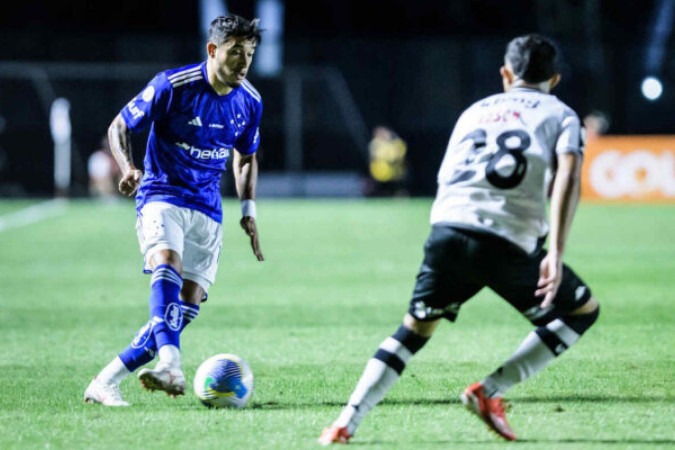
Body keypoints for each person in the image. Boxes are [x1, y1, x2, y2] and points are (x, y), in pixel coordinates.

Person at [319, 33, 600, 444]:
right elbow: (569, 174)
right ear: (554, 80)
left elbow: (445, 174)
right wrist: (554, 250)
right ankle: (489, 392)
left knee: (414, 329)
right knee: (580, 312)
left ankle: (345, 421)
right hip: (507, 238)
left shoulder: (475, 111)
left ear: (506, 74)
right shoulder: (562, 114)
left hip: (448, 229)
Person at [84, 14, 265, 407]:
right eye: (236, 52)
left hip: (208, 209)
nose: (244, 62)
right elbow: (119, 126)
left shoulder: (250, 101)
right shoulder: (173, 86)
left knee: (182, 309)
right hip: (162, 194)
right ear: (212, 50)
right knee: (166, 260)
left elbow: (246, 156)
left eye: (250, 53)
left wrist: (247, 209)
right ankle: (171, 364)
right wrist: (130, 166)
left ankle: (105, 381)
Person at [364, 125, 409, 197]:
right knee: (378, 187)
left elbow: (398, 155)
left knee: (397, 186)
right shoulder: (375, 143)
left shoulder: (395, 143)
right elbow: (374, 156)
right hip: (379, 170)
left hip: (394, 171)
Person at [87, 134, 122, 200]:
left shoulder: (118, 158)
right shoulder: (98, 157)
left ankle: (120, 197)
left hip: (114, 186)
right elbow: (96, 179)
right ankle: (105, 197)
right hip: (98, 187)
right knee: (104, 180)